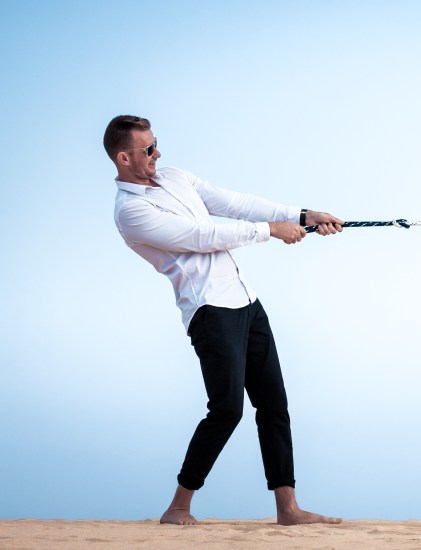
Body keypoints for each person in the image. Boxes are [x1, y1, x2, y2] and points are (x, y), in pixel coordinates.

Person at [104, 115, 344, 526]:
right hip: (209, 312)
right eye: (147, 150)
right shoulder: (131, 211)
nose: (157, 153)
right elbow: (201, 235)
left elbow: (234, 203)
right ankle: (178, 506)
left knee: (273, 403)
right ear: (124, 158)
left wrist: (303, 214)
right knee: (227, 409)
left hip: (247, 302)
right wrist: (271, 231)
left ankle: (288, 509)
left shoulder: (174, 177)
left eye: (157, 143)